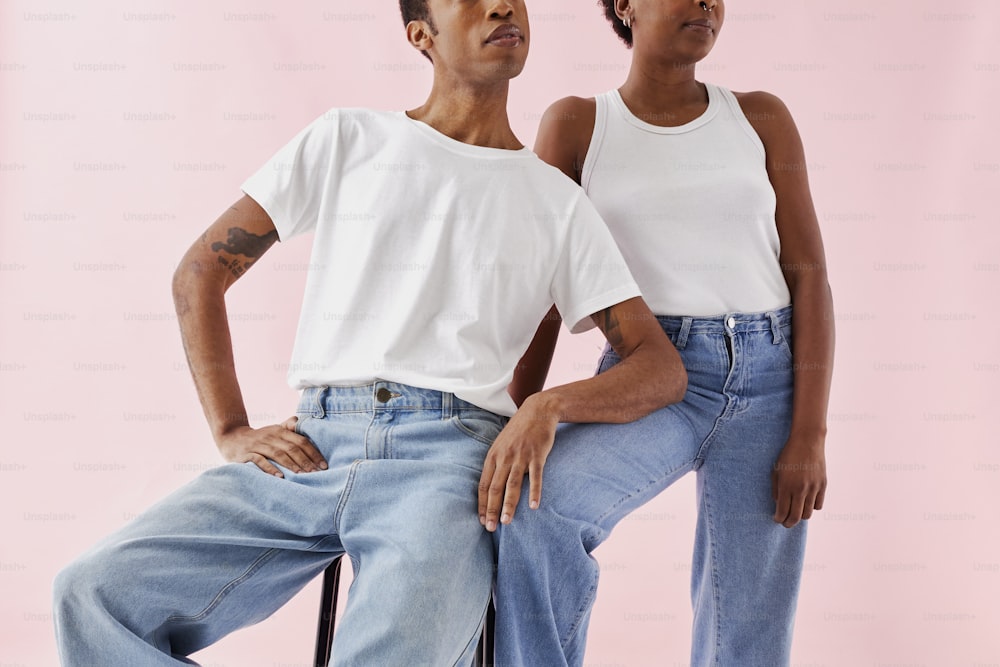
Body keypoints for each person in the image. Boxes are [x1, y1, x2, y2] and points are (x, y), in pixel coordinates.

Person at [50, 1, 689, 665]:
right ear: (422, 36)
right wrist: (231, 428)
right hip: (309, 448)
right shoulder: (347, 140)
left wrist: (548, 404)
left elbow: (660, 367)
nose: (503, 5)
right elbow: (199, 274)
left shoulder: (558, 205)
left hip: (444, 465)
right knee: (91, 595)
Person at [488, 0, 835, 665]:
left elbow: (811, 277)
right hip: (648, 377)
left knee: (747, 634)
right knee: (536, 512)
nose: (706, 3)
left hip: (769, 379)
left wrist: (809, 433)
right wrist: (505, 417)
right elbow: (544, 294)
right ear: (625, 5)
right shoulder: (578, 123)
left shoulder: (760, 116)